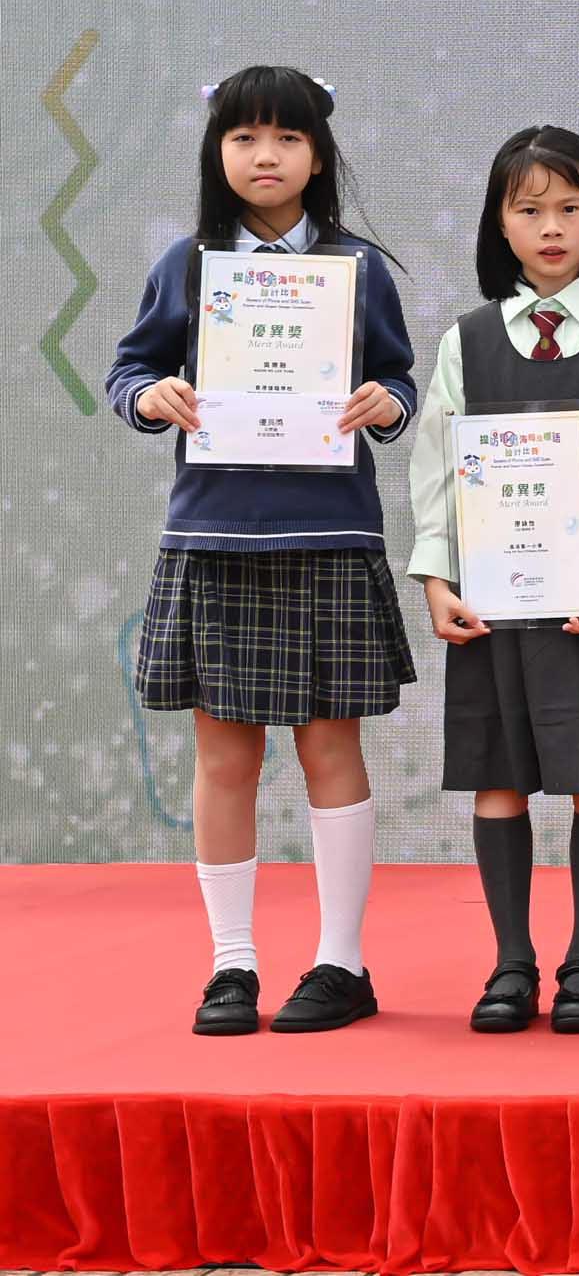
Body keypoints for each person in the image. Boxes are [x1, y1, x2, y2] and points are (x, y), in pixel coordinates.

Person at [112, 66, 417, 1037]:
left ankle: (342, 960)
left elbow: (398, 374)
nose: (265, 154)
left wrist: (388, 402)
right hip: (217, 529)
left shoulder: (358, 266)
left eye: (285, 136)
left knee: (331, 744)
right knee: (223, 750)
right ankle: (231, 964)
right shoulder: (187, 264)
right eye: (243, 136)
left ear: (317, 153)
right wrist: (149, 397)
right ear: (217, 152)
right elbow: (132, 365)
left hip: (328, 529)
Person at [409, 126, 579, 1034]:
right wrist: (435, 575)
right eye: (529, 210)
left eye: (569, 206)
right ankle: (511, 961)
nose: (551, 226)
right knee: (499, 775)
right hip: (492, 597)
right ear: (501, 224)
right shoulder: (466, 340)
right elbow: (435, 466)